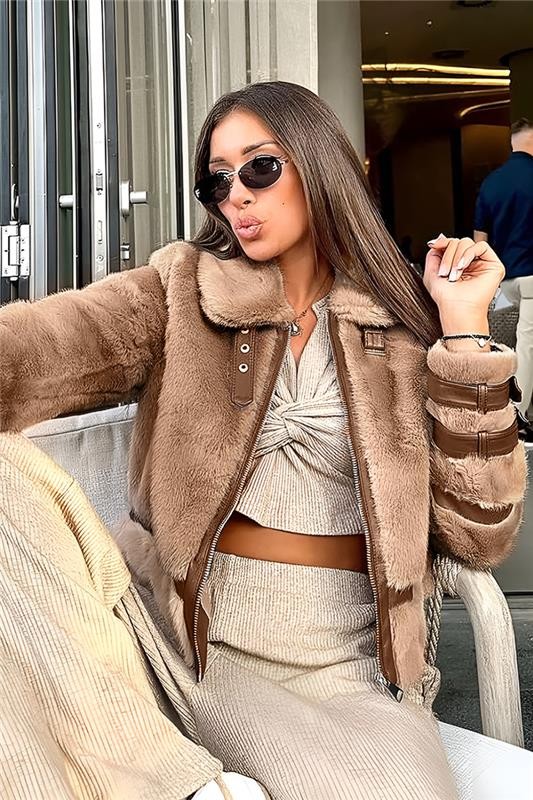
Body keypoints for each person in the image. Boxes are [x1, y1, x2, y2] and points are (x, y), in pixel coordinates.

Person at [0, 81, 528, 799]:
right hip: (177, 638)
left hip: (341, 667)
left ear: (318, 163)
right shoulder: (180, 290)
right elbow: (36, 350)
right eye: (216, 180)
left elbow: (480, 537)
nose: (236, 196)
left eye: (260, 167)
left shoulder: (409, 321)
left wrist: (463, 331)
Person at [474, 117, 533, 443]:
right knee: (527, 346)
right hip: (532, 279)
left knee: (506, 347)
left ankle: (507, 411)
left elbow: (480, 242)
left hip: (504, 281)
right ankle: (518, 417)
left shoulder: (491, 183)